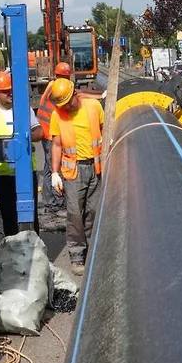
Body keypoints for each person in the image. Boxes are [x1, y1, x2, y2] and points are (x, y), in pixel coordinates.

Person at [48, 78, 104, 276]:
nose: (66, 107)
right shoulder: (58, 115)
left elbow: (105, 128)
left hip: (96, 167)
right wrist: (54, 172)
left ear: (74, 95)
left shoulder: (93, 106)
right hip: (73, 172)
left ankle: (92, 250)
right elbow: (56, 145)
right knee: (74, 214)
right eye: (62, 105)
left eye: (68, 102)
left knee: (94, 212)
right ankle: (77, 255)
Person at [0, 71, 42, 237]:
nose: (10, 92)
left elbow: (39, 132)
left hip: (26, 172)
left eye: (11, 89)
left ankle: (34, 251)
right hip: (3, 176)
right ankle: (14, 252)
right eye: (5, 90)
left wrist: (25, 137)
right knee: (9, 218)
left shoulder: (23, 109)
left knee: (30, 217)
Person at [36, 61, 73, 213]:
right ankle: (55, 202)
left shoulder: (51, 84)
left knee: (48, 166)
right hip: (49, 132)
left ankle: (49, 200)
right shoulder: (58, 88)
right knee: (54, 167)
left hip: (45, 130)